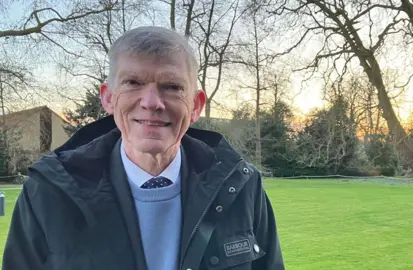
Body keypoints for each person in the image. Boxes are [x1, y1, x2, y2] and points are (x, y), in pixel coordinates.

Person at [3, 26, 284, 270]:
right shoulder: (50, 192)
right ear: (109, 98)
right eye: (133, 82)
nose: (151, 102)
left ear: (196, 105)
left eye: (172, 86)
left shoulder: (241, 186)